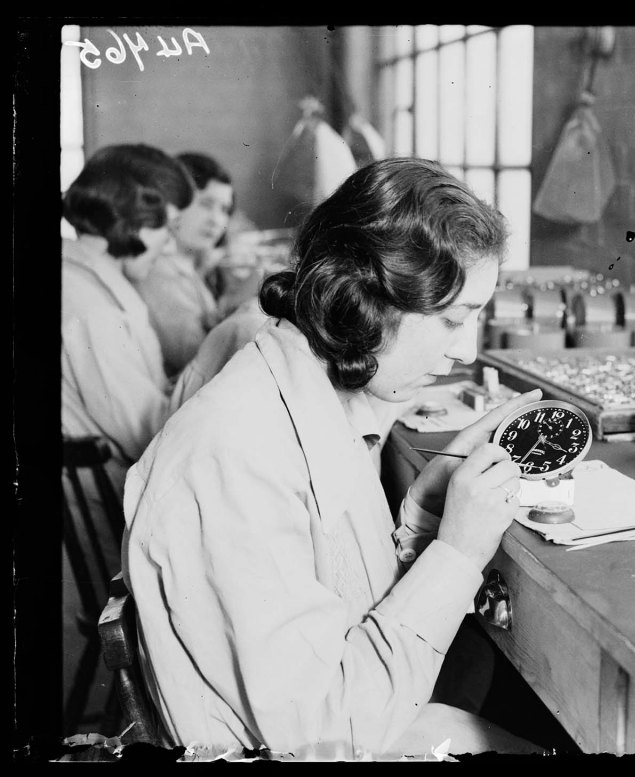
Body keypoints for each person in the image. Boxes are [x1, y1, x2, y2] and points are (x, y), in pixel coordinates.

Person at [121, 158, 545, 760]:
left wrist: (423, 517)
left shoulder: (305, 395)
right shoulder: (237, 454)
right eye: (454, 320)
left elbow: (344, 596)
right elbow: (330, 729)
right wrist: (460, 551)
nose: (464, 351)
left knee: (482, 666)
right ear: (366, 301)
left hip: (337, 722)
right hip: (307, 746)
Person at [62, 143, 194, 511]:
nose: (169, 247)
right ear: (129, 219)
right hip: (100, 511)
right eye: (166, 229)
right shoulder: (92, 308)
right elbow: (148, 435)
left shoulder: (79, 277)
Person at [130, 152, 234, 379]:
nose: (216, 220)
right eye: (206, 204)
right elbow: (197, 358)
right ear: (174, 203)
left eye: (225, 210)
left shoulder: (185, 263)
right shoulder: (157, 270)